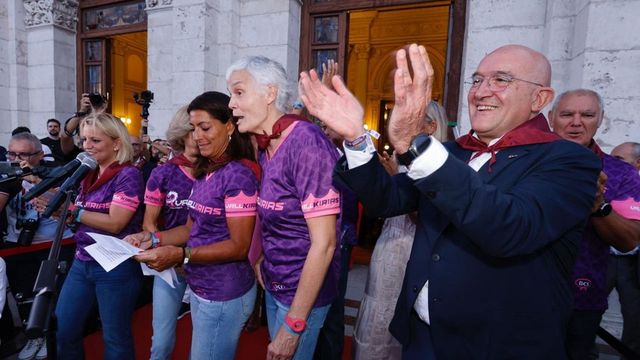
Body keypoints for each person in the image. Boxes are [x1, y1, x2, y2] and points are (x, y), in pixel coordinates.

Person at [300, 43, 601, 359]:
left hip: (497, 347)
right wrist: (355, 138)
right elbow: (386, 199)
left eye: (501, 80)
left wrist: (414, 145)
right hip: (422, 339)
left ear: (539, 99)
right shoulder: (454, 152)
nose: (481, 92)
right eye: (477, 80)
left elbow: (511, 228)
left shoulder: (570, 161)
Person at [127, 91, 259, 360]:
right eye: (193, 128)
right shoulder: (207, 171)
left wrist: (182, 255)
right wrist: (152, 239)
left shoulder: (239, 175)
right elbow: (190, 229)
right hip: (201, 286)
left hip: (224, 292)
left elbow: (239, 246)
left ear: (230, 126)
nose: (197, 135)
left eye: (205, 127)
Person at [226, 56, 341, 360]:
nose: (231, 104)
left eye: (239, 92)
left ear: (270, 93)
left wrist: (294, 325)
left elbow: (326, 243)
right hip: (276, 284)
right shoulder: (268, 144)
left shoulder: (306, 143)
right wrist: (262, 258)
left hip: (302, 298)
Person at [353, 100, 449, 360]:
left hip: (415, 243)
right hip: (390, 239)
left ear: (431, 126)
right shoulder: (401, 151)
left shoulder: (443, 161)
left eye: (412, 120)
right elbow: (384, 201)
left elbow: (427, 216)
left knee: (404, 309)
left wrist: (396, 175)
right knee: (378, 304)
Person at [548, 89, 640, 359]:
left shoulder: (620, 173)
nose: (576, 122)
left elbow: (630, 239)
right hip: (517, 293)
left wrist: (598, 207)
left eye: (587, 115)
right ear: (552, 118)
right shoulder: (524, 160)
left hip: (581, 297)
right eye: (567, 114)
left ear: (600, 119)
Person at [51, 112, 144, 359]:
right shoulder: (86, 174)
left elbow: (115, 223)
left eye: (95, 140)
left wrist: (73, 212)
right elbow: (78, 219)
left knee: (115, 337)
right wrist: (62, 214)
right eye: (83, 140)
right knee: (63, 329)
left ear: (116, 143)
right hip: (82, 261)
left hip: (115, 266)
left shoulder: (128, 175)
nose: (86, 146)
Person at [134, 106, 197, 360]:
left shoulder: (219, 172)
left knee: (205, 345)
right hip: (171, 265)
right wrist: (166, 255)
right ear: (182, 133)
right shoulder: (164, 173)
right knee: (160, 343)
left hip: (209, 261)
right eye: (195, 130)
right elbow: (148, 223)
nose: (202, 136)